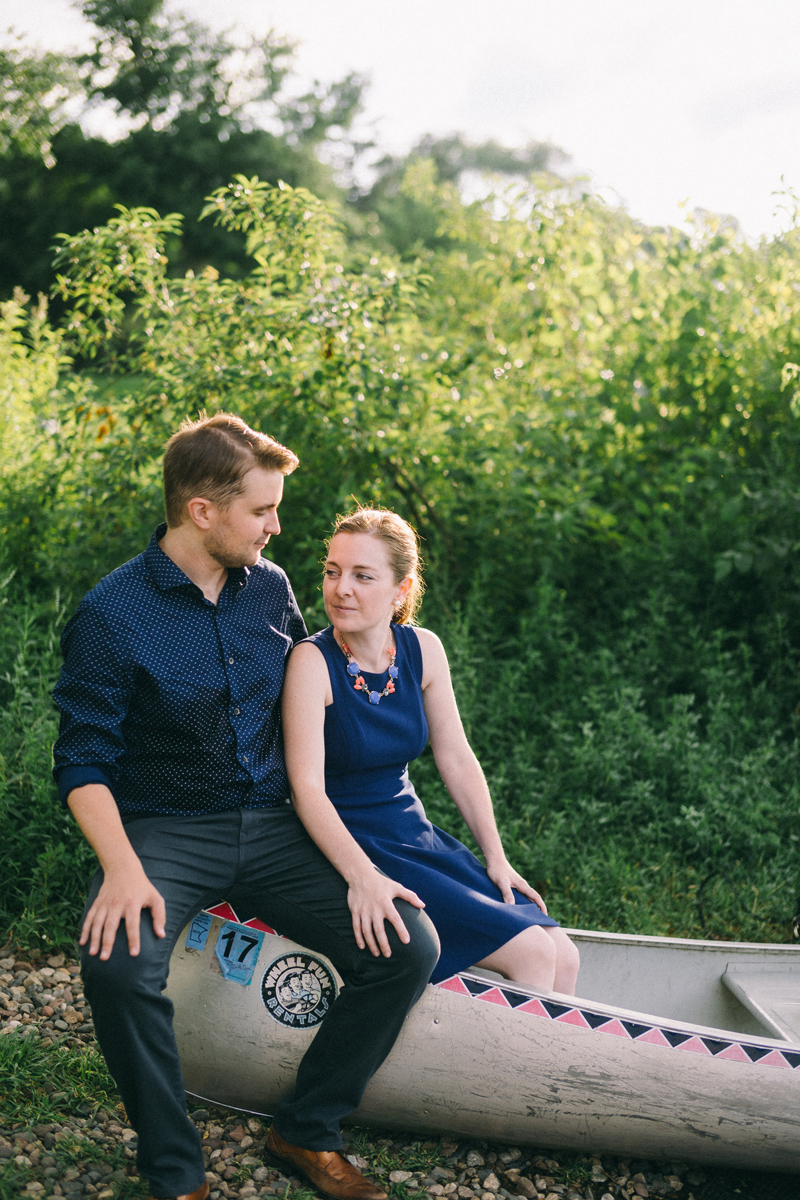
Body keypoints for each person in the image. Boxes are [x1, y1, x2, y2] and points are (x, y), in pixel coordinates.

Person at [52, 417, 439, 1200]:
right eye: (262, 510)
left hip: (274, 823)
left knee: (406, 949)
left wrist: (376, 840)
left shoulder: (270, 587)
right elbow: (82, 762)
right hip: (166, 829)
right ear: (203, 511)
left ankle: (305, 1129)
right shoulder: (112, 613)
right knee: (117, 969)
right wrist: (122, 868)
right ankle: (175, 1172)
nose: (276, 525)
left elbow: (318, 703)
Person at [282, 507, 580, 993]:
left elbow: (457, 758)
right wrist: (362, 877)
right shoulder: (312, 661)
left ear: (401, 589)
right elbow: (306, 790)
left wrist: (496, 857)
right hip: (350, 841)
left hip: (411, 833)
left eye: (363, 576)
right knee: (532, 953)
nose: (341, 589)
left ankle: (530, 1068)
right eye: (332, 572)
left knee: (563, 955)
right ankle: (508, 1071)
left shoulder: (423, 649)